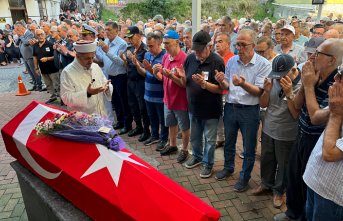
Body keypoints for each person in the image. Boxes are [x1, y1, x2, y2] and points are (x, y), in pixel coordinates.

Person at [274, 38, 343, 221]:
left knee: (307, 186)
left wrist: (308, 85)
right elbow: (296, 108)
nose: (311, 57)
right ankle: (292, 213)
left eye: (318, 53)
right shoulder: (313, 75)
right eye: (311, 52)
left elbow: (316, 118)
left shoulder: (336, 85)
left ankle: (301, 216)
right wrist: (306, 84)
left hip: (316, 142)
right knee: (294, 178)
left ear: (332, 60)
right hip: (301, 135)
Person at [215, 28, 271, 192]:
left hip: (250, 110)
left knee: (248, 147)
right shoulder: (232, 61)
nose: (239, 48)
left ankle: (244, 178)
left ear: (253, 45)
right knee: (229, 142)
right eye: (237, 44)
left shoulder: (263, 64)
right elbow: (227, 85)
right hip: (231, 107)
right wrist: (220, 81)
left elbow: (260, 92)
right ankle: (228, 167)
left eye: (243, 45)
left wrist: (243, 84)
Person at [253, 54, 301, 208]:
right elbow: (264, 103)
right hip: (269, 128)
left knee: (284, 164)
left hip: (287, 133)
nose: (279, 79)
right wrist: (266, 91)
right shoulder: (273, 78)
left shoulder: (301, 86)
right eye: (277, 76)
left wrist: (289, 93)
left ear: (293, 70)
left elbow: (295, 114)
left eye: (282, 76)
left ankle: (279, 191)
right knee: (267, 158)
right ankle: (266, 184)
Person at [182, 30, 225, 178]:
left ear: (209, 47)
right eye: (195, 50)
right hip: (193, 108)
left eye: (200, 50)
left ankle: (208, 163)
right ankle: (197, 157)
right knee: (195, 137)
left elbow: (221, 89)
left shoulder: (217, 62)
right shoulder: (189, 60)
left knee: (210, 140)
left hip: (210, 110)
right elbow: (185, 81)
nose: (197, 54)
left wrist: (204, 84)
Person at [303, 69, 343, 221]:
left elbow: (330, 154)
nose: (335, 77)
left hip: (333, 198)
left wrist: (336, 114)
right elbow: (315, 117)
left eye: (342, 75)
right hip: (316, 182)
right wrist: (307, 86)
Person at [152, 30, 190, 162]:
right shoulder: (166, 57)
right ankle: (173, 145)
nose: (165, 46)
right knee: (171, 124)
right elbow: (162, 78)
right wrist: (155, 71)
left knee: (184, 127)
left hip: (180, 100)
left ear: (177, 42)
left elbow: (184, 85)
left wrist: (171, 76)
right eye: (164, 43)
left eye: (167, 43)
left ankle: (184, 149)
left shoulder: (185, 59)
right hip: (168, 99)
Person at [60, 40, 113, 118]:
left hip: (101, 116)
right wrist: (87, 93)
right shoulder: (67, 72)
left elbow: (105, 82)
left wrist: (107, 87)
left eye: (92, 57)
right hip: (83, 120)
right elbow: (66, 98)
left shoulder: (95, 66)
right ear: (77, 56)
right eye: (87, 58)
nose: (91, 61)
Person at [96, 21, 132, 133]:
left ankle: (127, 125)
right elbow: (102, 59)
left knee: (123, 101)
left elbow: (121, 62)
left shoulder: (122, 44)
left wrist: (107, 51)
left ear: (117, 31)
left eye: (109, 30)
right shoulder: (106, 41)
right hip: (110, 76)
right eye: (105, 30)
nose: (107, 32)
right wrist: (96, 51)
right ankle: (120, 121)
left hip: (120, 76)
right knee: (115, 101)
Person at [135, 32, 168, 147]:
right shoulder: (147, 55)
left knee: (162, 119)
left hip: (160, 95)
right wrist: (138, 66)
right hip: (148, 93)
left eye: (151, 46)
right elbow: (145, 74)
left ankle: (164, 139)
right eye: (148, 45)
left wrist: (150, 70)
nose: (148, 49)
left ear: (160, 44)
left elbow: (164, 79)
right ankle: (154, 136)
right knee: (151, 116)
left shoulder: (165, 57)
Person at [123, 26, 150, 142]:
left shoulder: (145, 50)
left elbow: (145, 67)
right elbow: (127, 66)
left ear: (139, 36)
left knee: (142, 107)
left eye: (131, 37)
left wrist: (134, 59)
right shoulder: (129, 48)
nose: (130, 40)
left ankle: (146, 130)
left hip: (140, 81)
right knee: (133, 105)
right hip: (130, 81)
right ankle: (138, 126)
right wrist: (124, 60)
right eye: (128, 38)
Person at [214, 32, 235, 148]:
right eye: (216, 42)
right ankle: (220, 138)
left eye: (220, 41)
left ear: (228, 44)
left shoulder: (232, 59)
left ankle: (228, 139)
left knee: (227, 118)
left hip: (227, 94)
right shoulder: (215, 57)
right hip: (216, 92)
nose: (217, 44)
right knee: (218, 118)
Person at [33, 29, 60, 104]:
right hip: (43, 69)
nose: (40, 36)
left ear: (45, 34)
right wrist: (36, 68)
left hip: (53, 68)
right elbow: (34, 57)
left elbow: (56, 56)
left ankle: (61, 98)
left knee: (56, 84)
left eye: (41, 34)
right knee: (48, 84)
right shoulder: (35, 45)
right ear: (36, 36)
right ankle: (53, 97)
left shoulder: (50, 44)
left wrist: (47, 58)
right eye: (38, 35)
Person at [14, 21, 42, 91]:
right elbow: (17, 43)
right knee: (30, 71)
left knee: (34, 71)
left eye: (18, 29)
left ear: (22, 28)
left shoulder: (29, 33)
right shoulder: (22, 35)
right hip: (25, 56)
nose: (17, 31)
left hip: (30, 55)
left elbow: (26, 42)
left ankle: (39, 85)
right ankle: (35, 84)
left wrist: (21, 36)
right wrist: (19, 36)